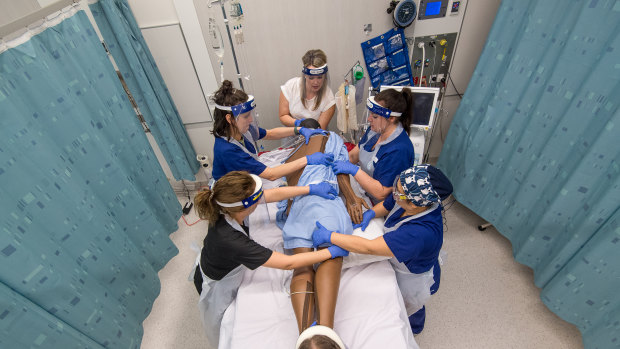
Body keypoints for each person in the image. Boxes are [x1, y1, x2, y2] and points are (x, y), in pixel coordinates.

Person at [192, 171, 348, 348]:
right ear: (247, 204)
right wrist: (330, 252)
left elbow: (270, 195)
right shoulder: (232, 240)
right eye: (255, 197)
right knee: (219, 321)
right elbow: (287, 263)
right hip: (218, 283)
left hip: (217, 258)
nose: (260, 198)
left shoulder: (227, 207)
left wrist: (309, 189)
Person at [312, 164, 453, 335]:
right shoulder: (411, 196)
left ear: (415, 205)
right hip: (410, 252)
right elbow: (388, 204)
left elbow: (370, 248)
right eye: (397, 185)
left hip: (412, 275)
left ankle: (415, 326)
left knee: (411, 304)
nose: (394, 193)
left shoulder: (419, 233)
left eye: (398, 192)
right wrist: (370, 213)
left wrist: (331, 236)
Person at [276, 121, 358, 342]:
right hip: (326, 198)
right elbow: (342, 171)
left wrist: (290, 202)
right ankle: (325, 331)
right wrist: (351, 199)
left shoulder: (296, 152)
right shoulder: (332, 139)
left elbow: (285, 183)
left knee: (302, 266)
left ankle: (305, 335)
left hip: (301, 201)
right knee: (330, 256)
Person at [211, 80, 332, 181]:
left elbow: (270, 133)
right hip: (232, 194)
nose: (251, 119)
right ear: (229, 119)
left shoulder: (242, 130)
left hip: (247, 178)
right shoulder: (227, 150)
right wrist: (308, 160)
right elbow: (271, 175)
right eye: (246, 116)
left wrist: (299, 129)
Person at [331, 88, 416, 205]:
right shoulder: (375, 131)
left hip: (378, 203)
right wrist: (332, 163)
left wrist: (353, 170)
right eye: (370, 114)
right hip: (362, 187)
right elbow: (353, 156)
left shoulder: (399, 150)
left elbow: (381, 193)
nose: (369, 119)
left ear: (391, 118)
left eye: (375, 117)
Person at [279, 49, 336, 133]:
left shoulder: (329, 99)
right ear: (305, 75)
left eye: (320, 77)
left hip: (315, 135)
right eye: (311, 78)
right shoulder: (290, 87)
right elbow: (283, 115)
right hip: (292, 132)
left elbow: (319, 132)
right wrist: (299, 123)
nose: (316, 82)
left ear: (325, 76)